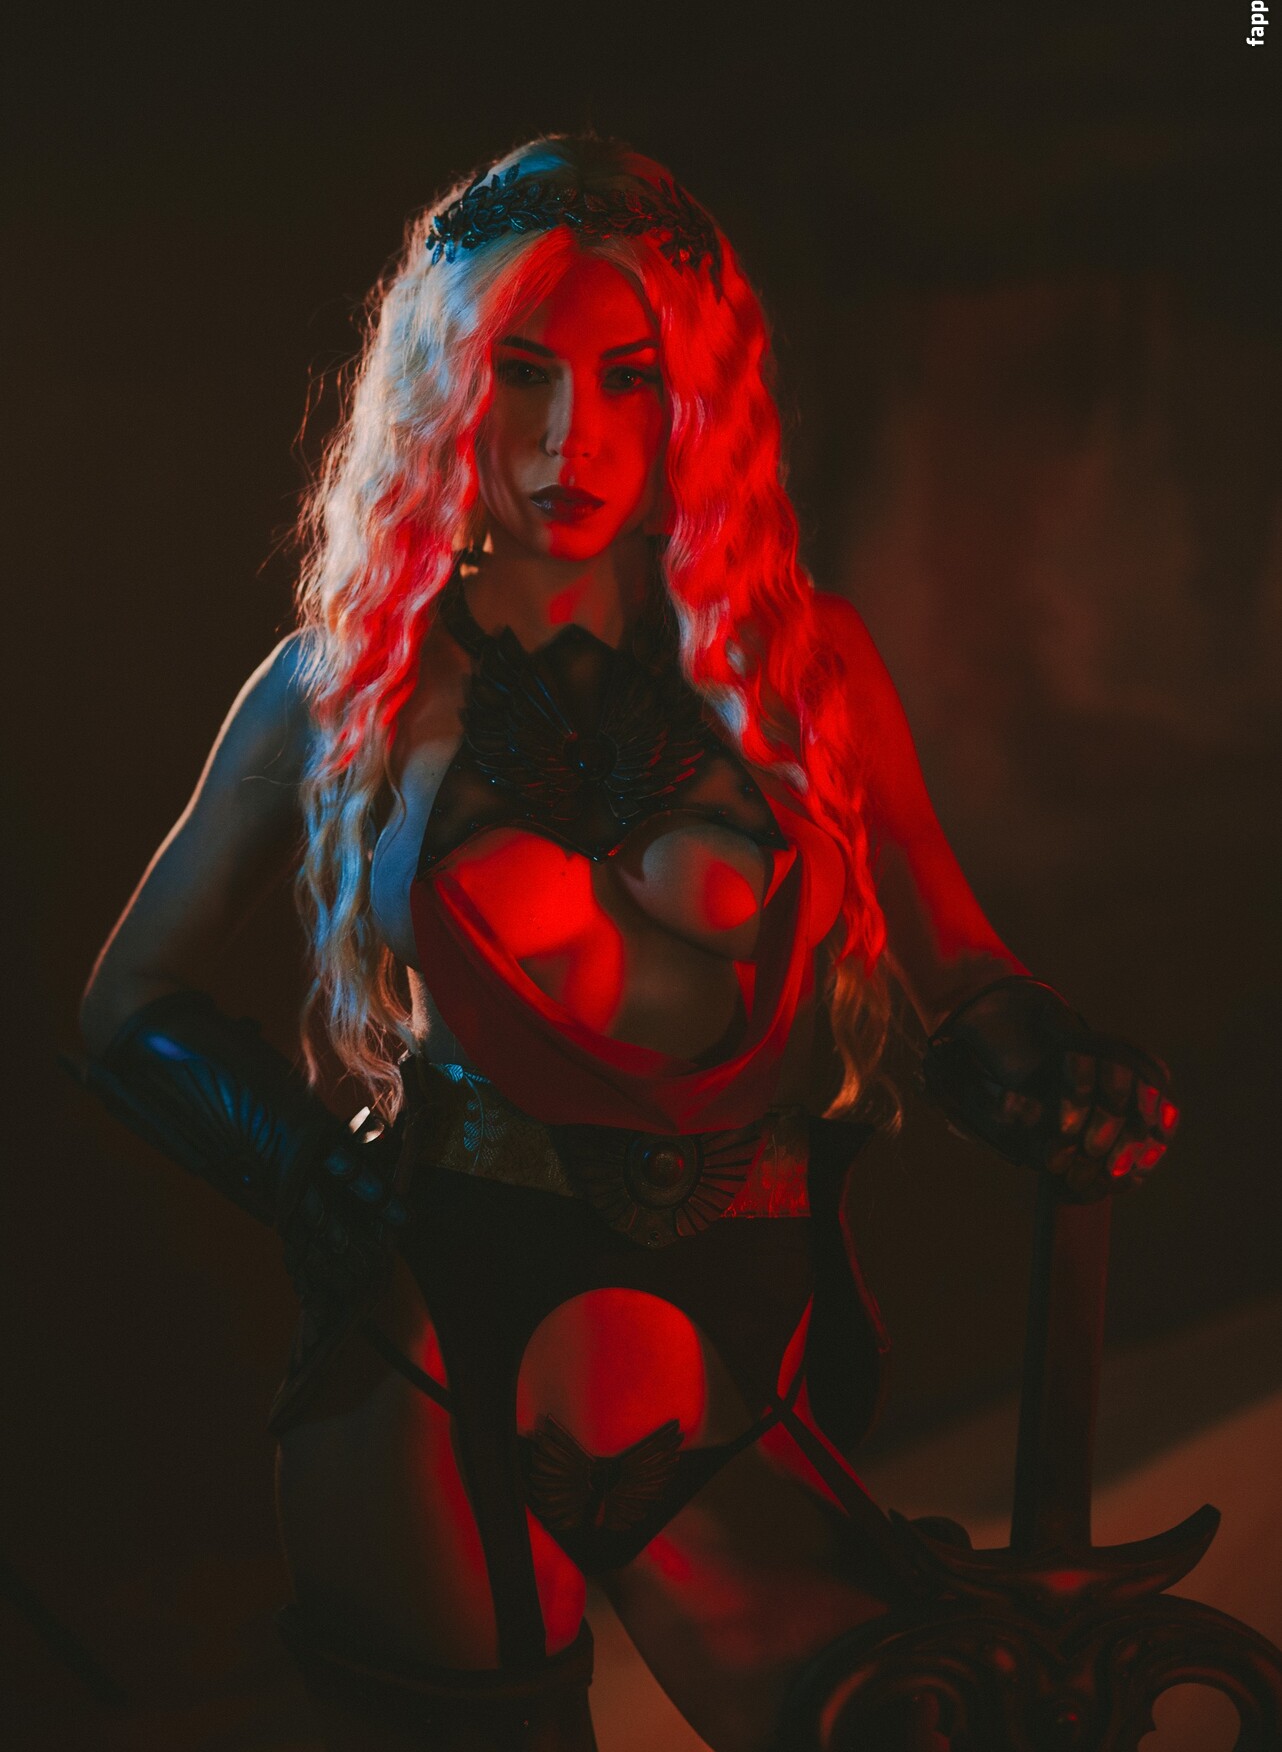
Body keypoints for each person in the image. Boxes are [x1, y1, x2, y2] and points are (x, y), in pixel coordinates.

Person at [75, 136, 1178, 1752]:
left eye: (627, 377)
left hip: (733, 1351)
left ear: (696, 398)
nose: (564, 437)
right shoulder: (342, 683)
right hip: (427, 1346)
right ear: (443, 388)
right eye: (518, 372)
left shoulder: (803, 669)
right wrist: (297, 1174)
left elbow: (960, 969)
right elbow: (127, 1005)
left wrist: (1042, 1062)